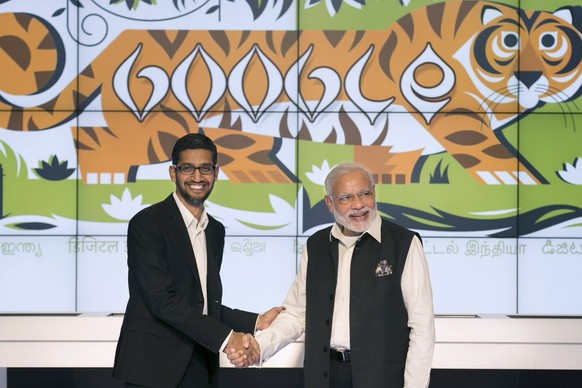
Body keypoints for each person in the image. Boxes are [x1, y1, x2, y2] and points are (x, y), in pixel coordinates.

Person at [238, 162, 435, 387]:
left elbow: (422, 327)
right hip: (323, 377)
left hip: (382, 379)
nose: (359, 205)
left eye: (365, 194)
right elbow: (295, 314)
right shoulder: (316, 245)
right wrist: (260, 346)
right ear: (329, 203)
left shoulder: (404, 243)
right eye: (346, 198)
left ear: (375, 192)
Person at [113, 133, 282, 387]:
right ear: (173, 173)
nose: (197, 177)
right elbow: (162, 301)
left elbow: (200, 302)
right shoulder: (147, 224)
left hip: (200, 363)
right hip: (153, 368)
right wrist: (228, 338)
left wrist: (256, 321)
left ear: (216, 173)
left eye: (205, 168)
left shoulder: (215, 230)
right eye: (187, 168)